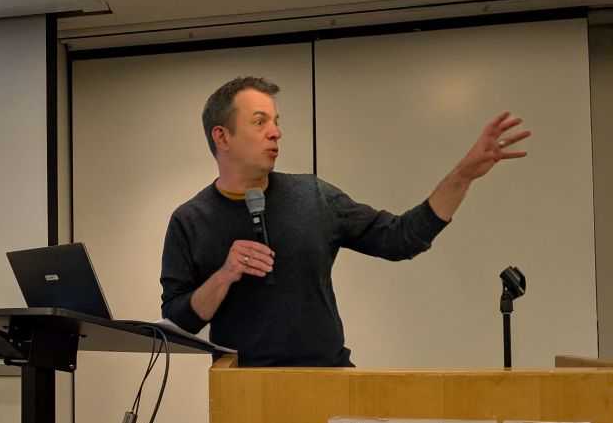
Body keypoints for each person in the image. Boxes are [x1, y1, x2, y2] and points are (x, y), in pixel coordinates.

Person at [160, 76, 530, 367]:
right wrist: (224, 275)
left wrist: (461, 176)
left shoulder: (314, 197)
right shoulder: (190, 220)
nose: (276, 131)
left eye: (276, 121)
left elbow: (401, 239)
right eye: (260, 122)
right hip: (243, 392)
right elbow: (179, 323)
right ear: (222, 136)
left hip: (328, 378)